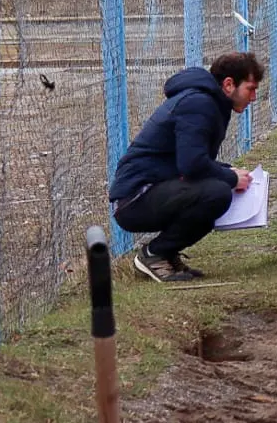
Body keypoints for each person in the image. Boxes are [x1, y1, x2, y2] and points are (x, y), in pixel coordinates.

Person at [108, 52, 262, 282]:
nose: (254, 97)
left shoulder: (209, 102)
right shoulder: (199, 104)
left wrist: (228, 171)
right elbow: (191, 165)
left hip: (153, 188)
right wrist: (230, 178)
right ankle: (154, 255)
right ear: (229, 84)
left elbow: (189, 159)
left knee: (216, 189)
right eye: (250, 89)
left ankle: (167, 255)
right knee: (216, 193)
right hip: (136, 197)